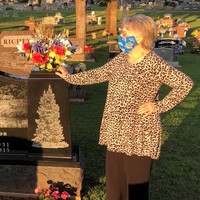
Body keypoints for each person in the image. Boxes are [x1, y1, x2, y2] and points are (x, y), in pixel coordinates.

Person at [56, 14, 193, 200]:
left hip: (140, 134)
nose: (120, 35)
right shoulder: (122, 59)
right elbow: (99, 74)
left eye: (124, 32)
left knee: (135, 189)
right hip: (116, 131)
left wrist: (158, 106)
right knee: (115, 187)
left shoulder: (154, 63)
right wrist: (70, 78)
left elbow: (185, 83)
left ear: (139, 37)